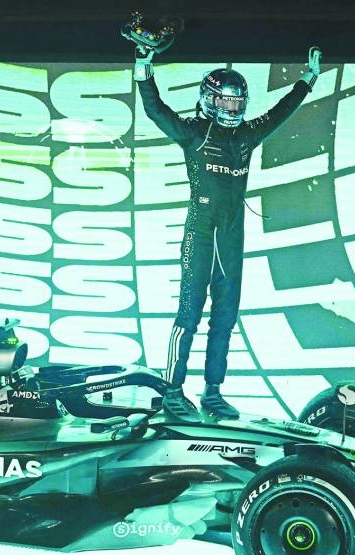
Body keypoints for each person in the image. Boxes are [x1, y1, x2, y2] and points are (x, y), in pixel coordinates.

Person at [134, 43, 321, 421]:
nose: (232, 111)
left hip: (232, 239)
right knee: (188, 315)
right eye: (226, 103)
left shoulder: (248, 135)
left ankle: (213, 393)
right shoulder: (192, 132)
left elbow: (281, 112)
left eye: (238, 105)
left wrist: (308, 79)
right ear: (208, 100)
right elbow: (155, 109)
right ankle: (172, 391)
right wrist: (143, 69)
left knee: (225, 317)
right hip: (199, 236)